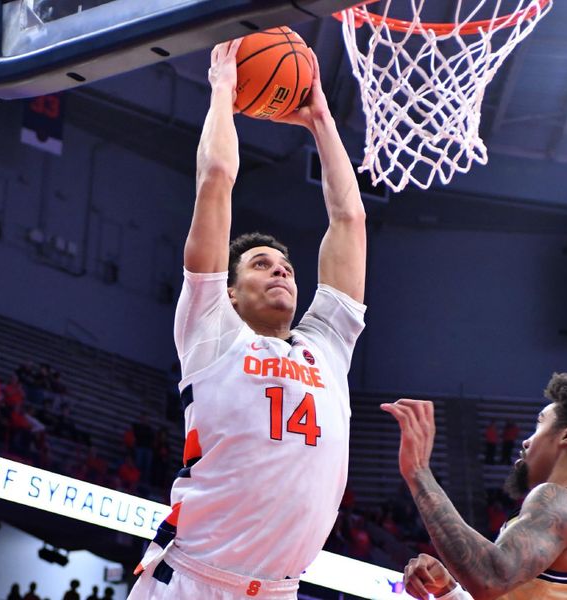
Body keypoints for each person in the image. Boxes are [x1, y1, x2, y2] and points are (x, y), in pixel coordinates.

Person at [128, 38, 366, 599]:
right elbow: (216, 181)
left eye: (286, 266)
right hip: (191, 579)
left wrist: (322, 122)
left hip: (279, 590)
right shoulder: (211, 329)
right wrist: (223, 92)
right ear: (230, 293)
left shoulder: (325, 348)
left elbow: (349, 219)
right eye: (262, 265)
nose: (281, 272)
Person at [384, 372, 567, 600]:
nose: (526, 442)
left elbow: (489, 577)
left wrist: (419, 473)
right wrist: (449, 591)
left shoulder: (559, 501)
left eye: (540, 425)